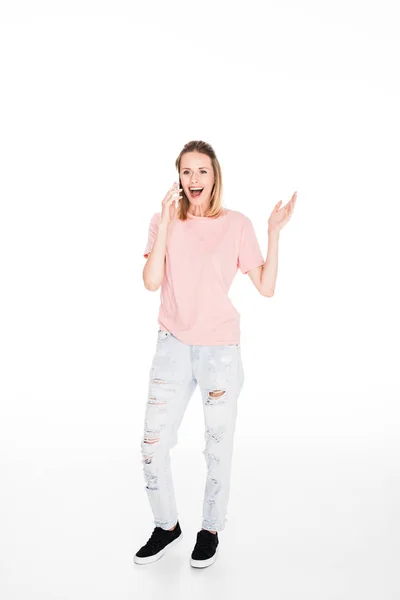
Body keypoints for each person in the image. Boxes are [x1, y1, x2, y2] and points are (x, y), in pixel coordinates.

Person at [133, 140, 297, 568]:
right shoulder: (161, 221)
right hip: (172, 344)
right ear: (178, 178)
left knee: (217, 448)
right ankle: (166, 526)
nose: (193, 179)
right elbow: (151, 282)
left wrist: (274, 232)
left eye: (201, 171)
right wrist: (167, 224)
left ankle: (210, 529)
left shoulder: (236, 224)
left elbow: (266, 286)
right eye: (186, 172)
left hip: (220, 350)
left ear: (214, 175)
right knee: (152, 446)